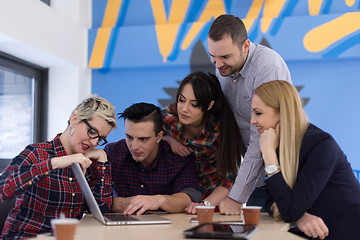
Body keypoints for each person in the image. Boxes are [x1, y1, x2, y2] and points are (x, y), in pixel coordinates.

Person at [252, 80, 360, 240]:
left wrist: (268, 153)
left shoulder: (321, 145)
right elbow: (271, 201)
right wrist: (300, 215)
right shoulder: (276, 142)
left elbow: (288, 209)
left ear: (283, 112)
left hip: (345, 230)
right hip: (315, 230)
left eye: (258, 113)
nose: (252, 120)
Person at [207, 14, 292, 214]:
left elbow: (260, 134)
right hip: (255, 177)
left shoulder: (267, 67)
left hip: (284, 173)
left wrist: (237, 196)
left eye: (225, 57)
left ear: (245, 45)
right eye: (213, 57)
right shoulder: (223, 68)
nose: (218, 65)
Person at [0, 97, 117, 240]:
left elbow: (102, 209)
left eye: (100, 138)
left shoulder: (88, 162)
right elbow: (3, 190)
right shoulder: (37, 153)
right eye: (92, 131)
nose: (94, 142)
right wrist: (56, 163)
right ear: (74, 119)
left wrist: (103, 159)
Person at [161, 71, 243, 214]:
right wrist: (168, 139)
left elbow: (229, 180)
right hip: (177, 194)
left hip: (212, 195)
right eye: (181, 100)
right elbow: (145, 136)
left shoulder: (220, 131)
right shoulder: (167, 117)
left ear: (209, 105)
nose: (184, 109)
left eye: (194, 104)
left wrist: (206, 204)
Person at [105, 102, 201, 215]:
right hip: (121, 228)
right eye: (129, 137)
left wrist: (159, 200)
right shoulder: (113, 152)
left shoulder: (178, 158)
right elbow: (92, 196)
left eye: (143, 139)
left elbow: (190, 196)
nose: (134, 146)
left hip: (167, 230)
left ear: (159, 137)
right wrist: (123, 203)